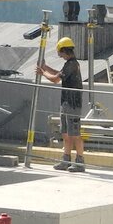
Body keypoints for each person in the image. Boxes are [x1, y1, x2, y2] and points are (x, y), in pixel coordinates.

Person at [37, 36, 85, 172]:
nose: (60, 55)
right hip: (66, 103)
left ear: (64, 51)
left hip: (73, 104)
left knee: (75, 134)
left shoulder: (72, 64)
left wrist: (42, 72)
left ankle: (80, 161)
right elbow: (58, 74)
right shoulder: (69, 64)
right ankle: (66, 159)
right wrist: (45, 68)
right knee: (66, 133)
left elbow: (55, 79)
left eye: (60, 53)